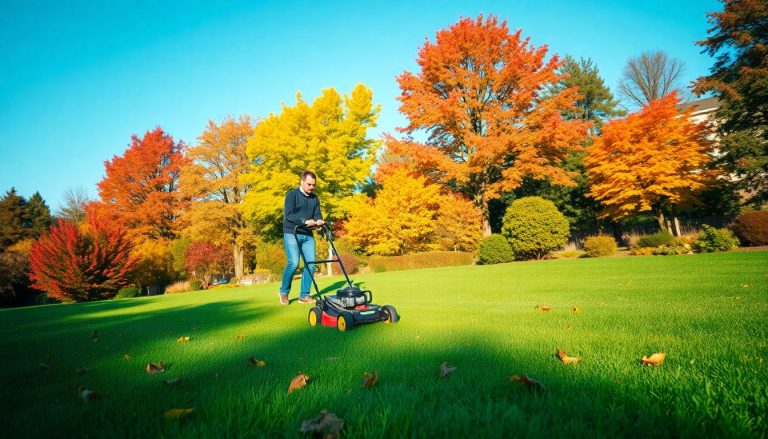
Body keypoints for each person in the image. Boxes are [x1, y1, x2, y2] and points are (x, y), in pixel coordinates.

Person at [279, 171, 324, 305]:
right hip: (292, 232)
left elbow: (317, 213)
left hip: (308, 234)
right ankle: (284, 292)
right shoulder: (292, 195)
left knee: (310, 264)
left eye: (313, 185)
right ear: (302, 182)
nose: (311, 187)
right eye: (309, 184)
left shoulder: (314, 198)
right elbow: (289, 215)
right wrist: (304, 220)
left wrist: (319, 220)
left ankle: (304, 295)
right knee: (293, 263)